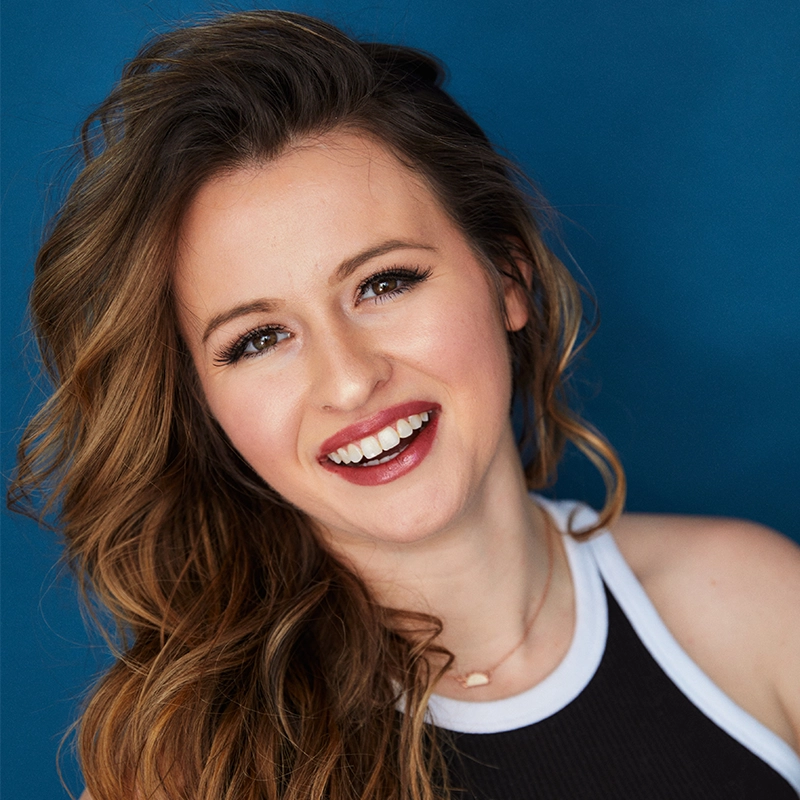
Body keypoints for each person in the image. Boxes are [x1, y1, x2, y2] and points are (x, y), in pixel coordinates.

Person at [9, 9, 800, 799]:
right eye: (258, 339)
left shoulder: (756, 605)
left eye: (383, 283)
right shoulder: (182, 768)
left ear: (506, 277)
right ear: (201, 404)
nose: (349, 381)